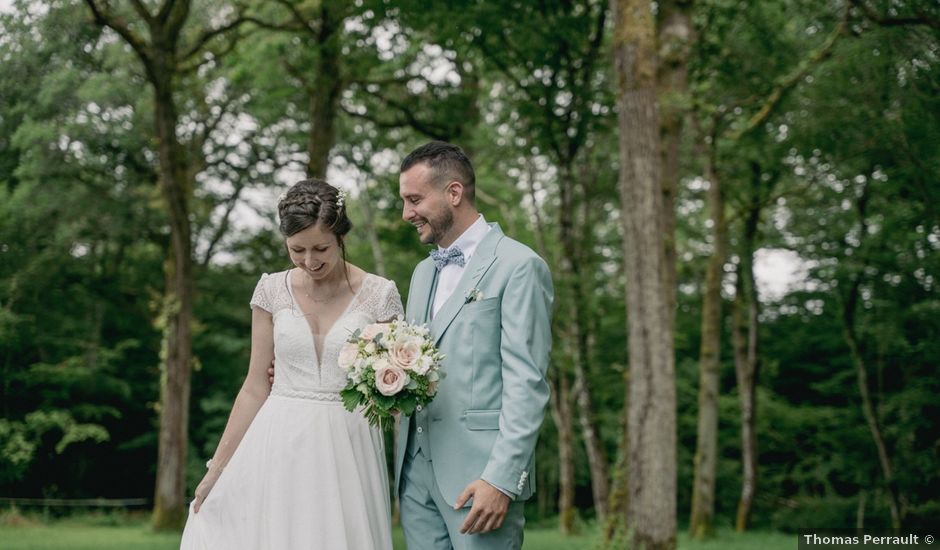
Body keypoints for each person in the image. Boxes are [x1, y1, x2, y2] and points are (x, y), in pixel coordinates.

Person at [180, 178, 402, 550]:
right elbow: (254, 386)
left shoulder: (380, 295)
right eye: (297, 249)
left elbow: (394, 391)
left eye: (321, 248)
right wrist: (215, 470)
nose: (310, 261)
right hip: (279, 441)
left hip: (349, 445)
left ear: (341, 235)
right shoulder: (271, 290)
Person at [395, 141, 554, 550]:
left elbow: (527, 384)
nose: (406, 213)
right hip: (416, 478)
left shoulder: (519, 267)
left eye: (414, 199)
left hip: (479, 479)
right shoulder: (421, 273)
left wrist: (502, 479)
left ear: (453, 192)